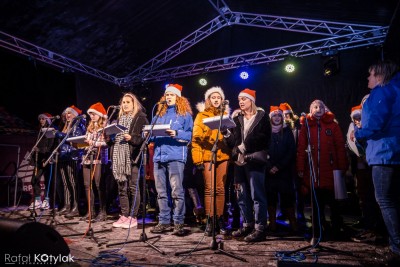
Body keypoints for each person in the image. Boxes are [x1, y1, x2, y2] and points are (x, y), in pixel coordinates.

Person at [352, 60, 400, 265]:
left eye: (370, 74)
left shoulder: (382, 92)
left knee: (385, 200)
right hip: (393, 151)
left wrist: (359, 133)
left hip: (384, 152)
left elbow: (376, 124)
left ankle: (397, 249)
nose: (368, 78)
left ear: (380, 75)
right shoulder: (396, 90)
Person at [223, 88, 271, 242]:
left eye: (244, 99)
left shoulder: (262, 117)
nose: (241, 102)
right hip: (239, 162)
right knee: (242, 196)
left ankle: (260, 228)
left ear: (252, 100)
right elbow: (233, 142)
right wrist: (226, 134)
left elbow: (264, 138)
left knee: (257, 195)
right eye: (239, 99)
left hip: (254, 160)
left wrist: (245, 146)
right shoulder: (237, 119)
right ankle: (248, 224)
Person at [296, 100, 348, 240]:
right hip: (313, 172)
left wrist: (342, 166)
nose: (318, 109)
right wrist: (300, 167)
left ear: (325, 109)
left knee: (334, 204)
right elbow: (301, 149)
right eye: (315, 107)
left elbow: (340, 147)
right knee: (316, 204)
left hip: (331, 171)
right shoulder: (305, 126)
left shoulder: (333, 125)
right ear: (311, 110)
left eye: (321, 107)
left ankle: (336, 230)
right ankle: (318, 231)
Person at [149, 84, 193, 236]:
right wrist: (147, 133)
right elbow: (150, 134)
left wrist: (176, 133)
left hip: (175, 156)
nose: (168, 97)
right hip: (159, 156)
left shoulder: (185, 115)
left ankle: (179, 222)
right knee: (160, 192)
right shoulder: (158, 114)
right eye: (167, 95)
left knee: (176, 191)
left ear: (178, 97)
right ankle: (164, 221)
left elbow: (190, 135)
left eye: (172, 95)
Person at [192, 86, 231, 236]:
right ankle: (209, 220)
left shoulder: (225, 115)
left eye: (218, 97)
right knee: (209, 188)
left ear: (222, 100)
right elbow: (196, 140)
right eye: (213, 97)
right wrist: (198, 160)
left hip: (223, 156)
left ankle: (220, 219)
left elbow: (230, 138)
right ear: (208, 100)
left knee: (220, 189)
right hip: (208, 155)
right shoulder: (201, 116)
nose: (216, 100)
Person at [108, 93, 148, 229]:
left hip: (132, 157)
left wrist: (132, 138)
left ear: (134, 104)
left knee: (133, 187)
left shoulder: (140, 118)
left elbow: (144, 138)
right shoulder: (118, 119)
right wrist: (110, 137)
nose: (125, 105)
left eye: (128, 102)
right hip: (119, 157)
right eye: (123, 102)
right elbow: (114, 140)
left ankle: (133, 216)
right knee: (121, 188)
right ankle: (124, 215)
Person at [348, 104, 385, 243]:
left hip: (373, 165)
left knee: (377, 198)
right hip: (361, 169)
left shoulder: (369, 128)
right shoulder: (354, 128)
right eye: (355, 118)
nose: (358, 120)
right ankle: (369, 226)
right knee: (365, 198)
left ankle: (378, 229)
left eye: (360, 117)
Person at [265, 106, 297, 233]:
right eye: (274, 116)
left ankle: (293, 223)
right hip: (269, 172)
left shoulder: (287, 130)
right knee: (270, 197)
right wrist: (269, 166)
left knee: (287, 197)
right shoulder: (266, 132)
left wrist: (279, 166)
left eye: (279, 115)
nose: (277, 118)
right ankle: (272, 223)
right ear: (271, 118)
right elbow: (263, 150)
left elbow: (291, 151)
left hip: (284, 171)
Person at [56, 105, 86, 218]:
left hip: (72, 156)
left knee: (73, 183)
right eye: (66, 113)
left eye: (70, 113)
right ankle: (67, 205)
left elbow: (75, 139)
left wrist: (60, 134)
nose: (68, 115)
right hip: (64, 155)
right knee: (65, 182)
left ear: (75, 115)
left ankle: (76, 206)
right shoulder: (65, 125)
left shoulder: (78, 124)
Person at [81, 102, 109, 222]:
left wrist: (94, 143)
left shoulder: (105, 127)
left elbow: (107, 143)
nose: (92, 116)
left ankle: (103, 211)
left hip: (99, 159)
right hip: (87, 157)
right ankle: (90, 211)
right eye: (90, 114)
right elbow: (87, 141)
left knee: (99, 184)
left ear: (100, 115)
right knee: (87, 185)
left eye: (94, 114)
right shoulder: (89, 127)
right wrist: (82, 143)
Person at [279, 102, 305, 222]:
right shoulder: (279, 128)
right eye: (284, 115)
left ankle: (300, 212)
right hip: (284, 163)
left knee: (298, 188)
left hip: (295, 161)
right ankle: (285, 212)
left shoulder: (298, 127)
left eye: (288, 114)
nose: (286, 117)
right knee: (284, 189)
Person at [28, 113, 57, 210]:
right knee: (34, 179)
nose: (41, 120)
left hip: (47, 158)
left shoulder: (50, 131)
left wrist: (41, 150)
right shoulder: (39, 131)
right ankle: (37, 199)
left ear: (48, 120)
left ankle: (47, 200)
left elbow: (51, 146)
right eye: (40, 119)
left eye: (43, 119)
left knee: (48, 179)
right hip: (38, 158)